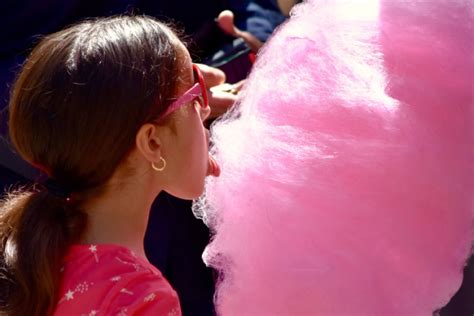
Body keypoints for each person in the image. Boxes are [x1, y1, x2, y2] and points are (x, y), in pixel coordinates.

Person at [0, 15, 220, 315]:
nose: (207, 112)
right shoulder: (141, 299)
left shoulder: (30, 257)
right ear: (152, 143)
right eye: (197, 95)